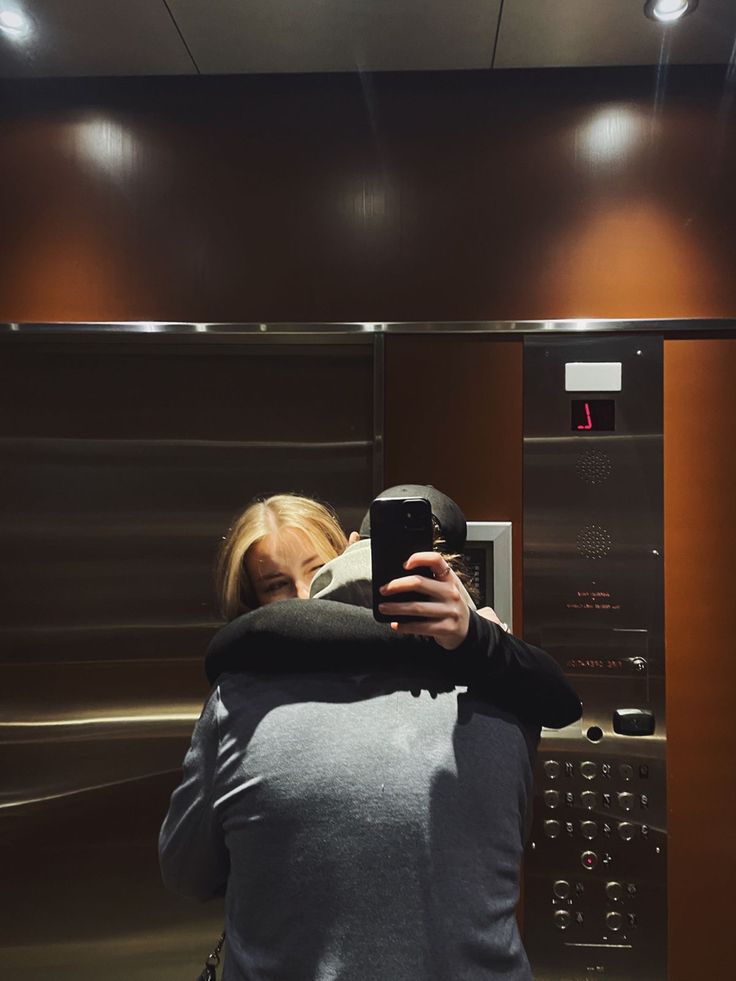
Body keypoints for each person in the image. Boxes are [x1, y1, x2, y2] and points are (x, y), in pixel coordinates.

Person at [160, 486, 582, 981]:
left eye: (313, 571)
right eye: (275, 586)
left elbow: (187, 873)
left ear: (350, 550)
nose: (299, 598)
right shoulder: (506, 682)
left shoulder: (237, 700)